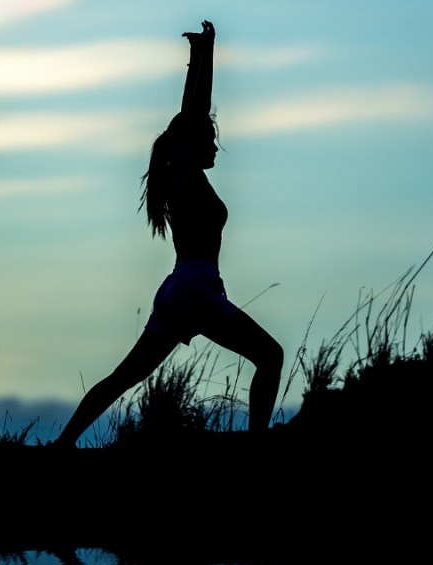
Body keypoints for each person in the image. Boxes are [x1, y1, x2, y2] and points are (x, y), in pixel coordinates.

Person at [53, 21, 283, 448]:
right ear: (192, 146)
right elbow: (194, 112)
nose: (216, 147)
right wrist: (207, 53)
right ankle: (258, 444)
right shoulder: (185, 176)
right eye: (210, 141)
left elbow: (190, 115)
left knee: (122, 378)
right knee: (271, 356)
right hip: (195, 291)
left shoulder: (183, 176)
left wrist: (197, 57)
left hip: (182, 289)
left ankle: (62, 443)